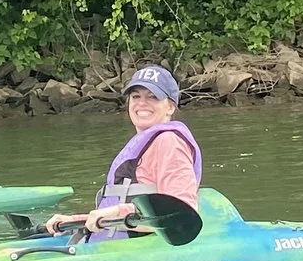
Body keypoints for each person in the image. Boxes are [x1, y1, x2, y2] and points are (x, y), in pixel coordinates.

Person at [47, 64, 201, 238]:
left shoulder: (169, 143)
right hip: (109, 243)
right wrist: (76, 220)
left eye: (153, 97)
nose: (142, 103)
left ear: (170, 107)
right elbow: (116, 215)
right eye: (135, 96)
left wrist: (115, 213)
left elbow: (180, 215)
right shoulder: (145, 144)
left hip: (135, 252)